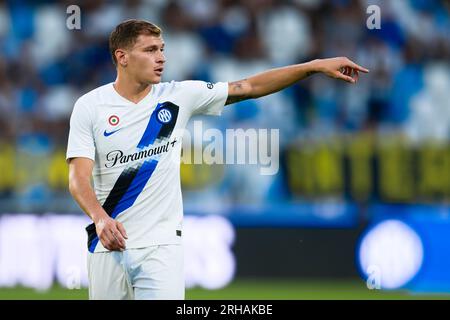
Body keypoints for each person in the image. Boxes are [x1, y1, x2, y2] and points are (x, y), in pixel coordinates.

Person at [66, 19, 369, 300]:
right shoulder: (91, 107)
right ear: (122, 57)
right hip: (106, 244)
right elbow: (78, 179)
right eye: (150, 50)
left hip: (162, 247)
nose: (161, 58)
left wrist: (312, 67)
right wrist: (100, 218)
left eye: (162, 49)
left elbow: (248, 87)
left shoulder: (178, 96)